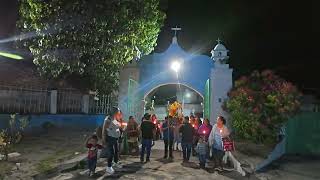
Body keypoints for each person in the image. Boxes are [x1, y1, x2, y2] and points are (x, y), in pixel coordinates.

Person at [102, 107, 123, 175]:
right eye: (118, 112)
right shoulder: (108, 119)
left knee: (116, 151)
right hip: (110, 138)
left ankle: (115, 162)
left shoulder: (114, 118)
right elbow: (104, 130)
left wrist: (121, 126)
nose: (119, 113)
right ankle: (109, 167)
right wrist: (103, 139)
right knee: (111, 153)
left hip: (115, 138)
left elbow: (117, 126)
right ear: (114, 112)